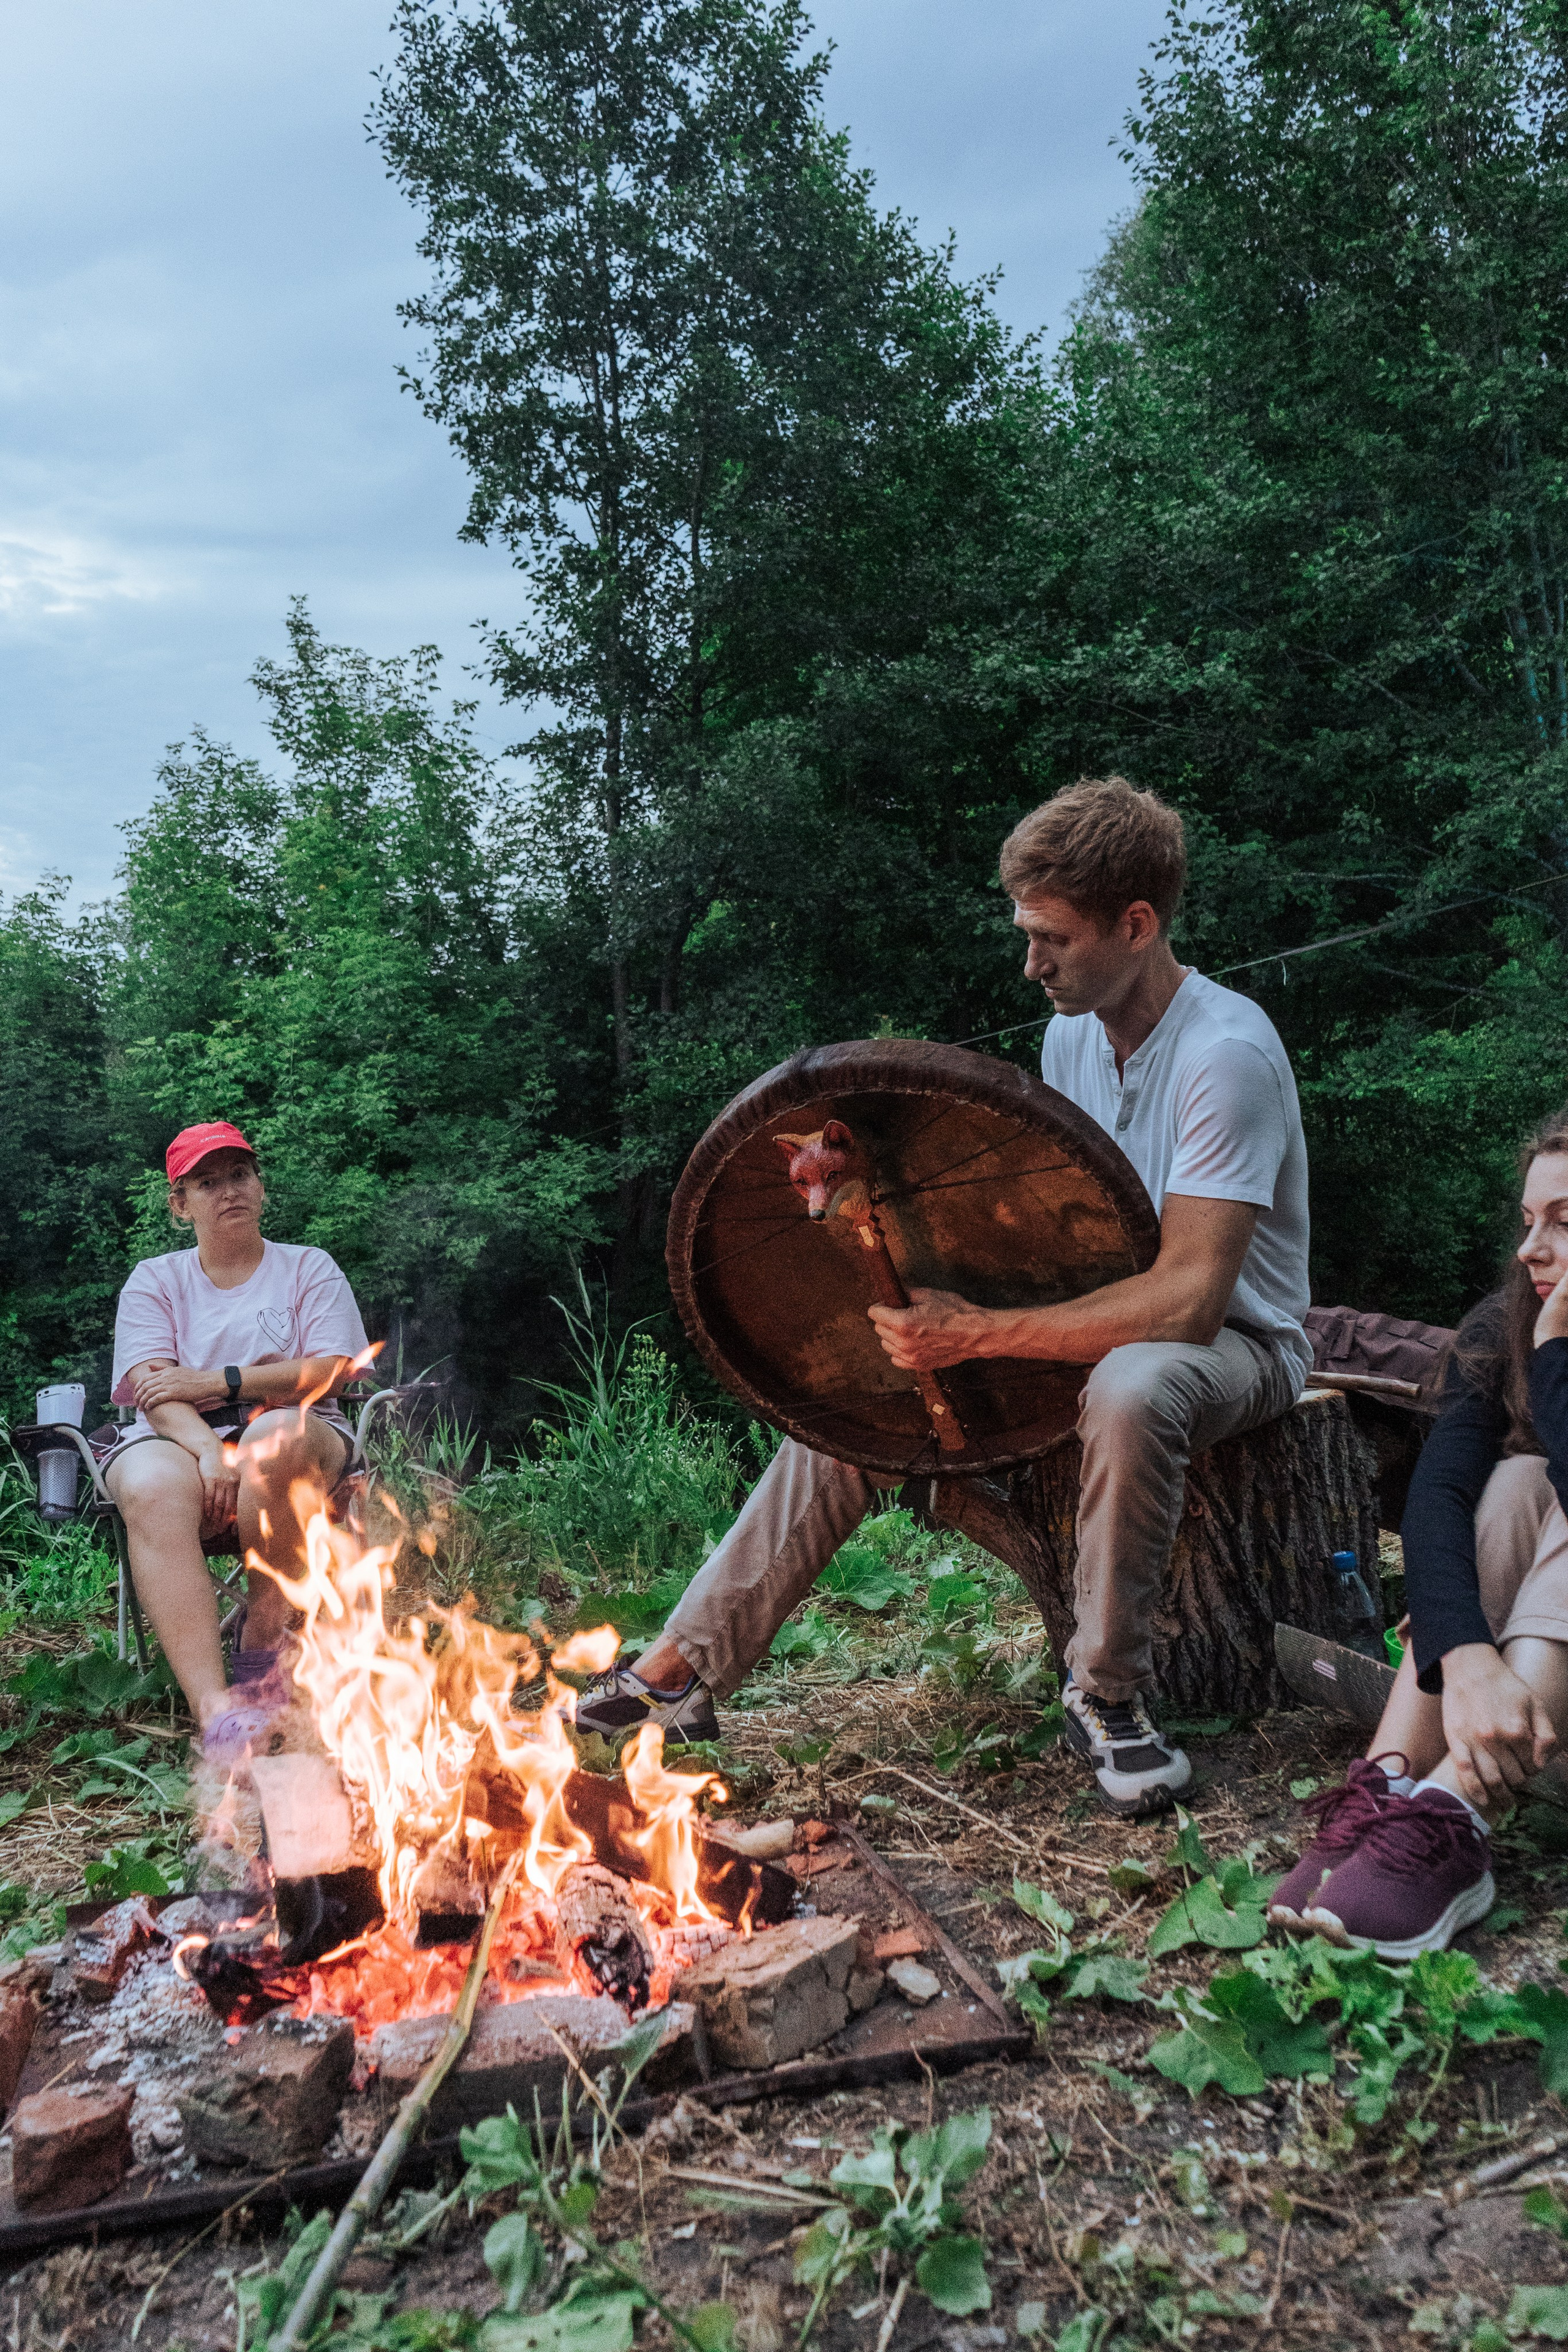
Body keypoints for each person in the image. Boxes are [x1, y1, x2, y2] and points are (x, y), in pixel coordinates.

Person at [579, 777, 1313, 1815]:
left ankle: (1106, 1696)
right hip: (1099, 1329)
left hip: (1239, 1348)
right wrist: (870, 1209)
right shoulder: (1073, 1039)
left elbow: (1190, 1301)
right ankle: (685, 1669)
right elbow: (1046, 1235)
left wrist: (980, 1333)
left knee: (1135, 1385)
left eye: (1053, 937)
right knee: (873, 1384)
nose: (1031, 962)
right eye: (1026, 933)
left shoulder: (1224, 1055)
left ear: (1137, 924)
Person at [1268, 1108, 1568, 1957]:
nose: (1530, 1250)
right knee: (1513, 1481)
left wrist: (1556, 1362)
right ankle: (1394, 1781)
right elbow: (1438, 1492)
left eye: (1565, 1223)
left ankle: (1463, 1808)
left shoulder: (1546, 1338)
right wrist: (1466, 1652)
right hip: (1544, 1694)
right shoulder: (1501, 1321)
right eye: (1527, 1222)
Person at [104, 1120, 372, 1763]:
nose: (228, 1191)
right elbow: (150, 1388)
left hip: (300, 1438)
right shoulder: (155, 1280)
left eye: (239, 1175)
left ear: (260, 1187)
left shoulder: (307, 1267)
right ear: (180, 1204)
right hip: (181, 1441)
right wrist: (205, 1450)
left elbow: (334, 1368)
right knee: (147, 1483)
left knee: (274, 1438)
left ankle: (262, 1635)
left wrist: (221, 1380)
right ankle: (216, 1709)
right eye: (207, 1182)